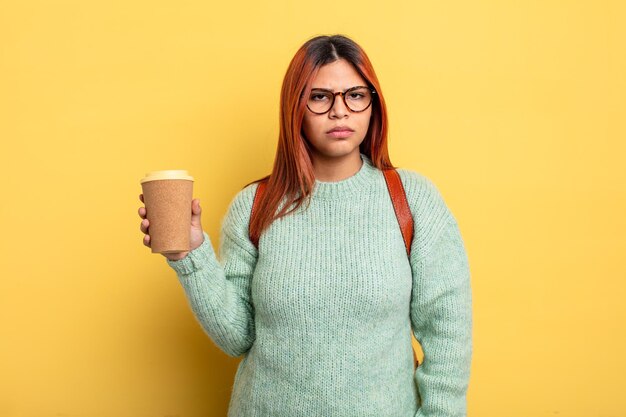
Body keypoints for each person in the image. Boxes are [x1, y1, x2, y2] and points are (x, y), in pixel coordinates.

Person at [138, 34, 472, 417]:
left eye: (356, 95)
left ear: (373, 105)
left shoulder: (414, 199)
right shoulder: (254, 205)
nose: (340, 111)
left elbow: (449, 332)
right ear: (295, 107)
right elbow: (236, 337)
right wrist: (189, 255)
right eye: (320, 97)